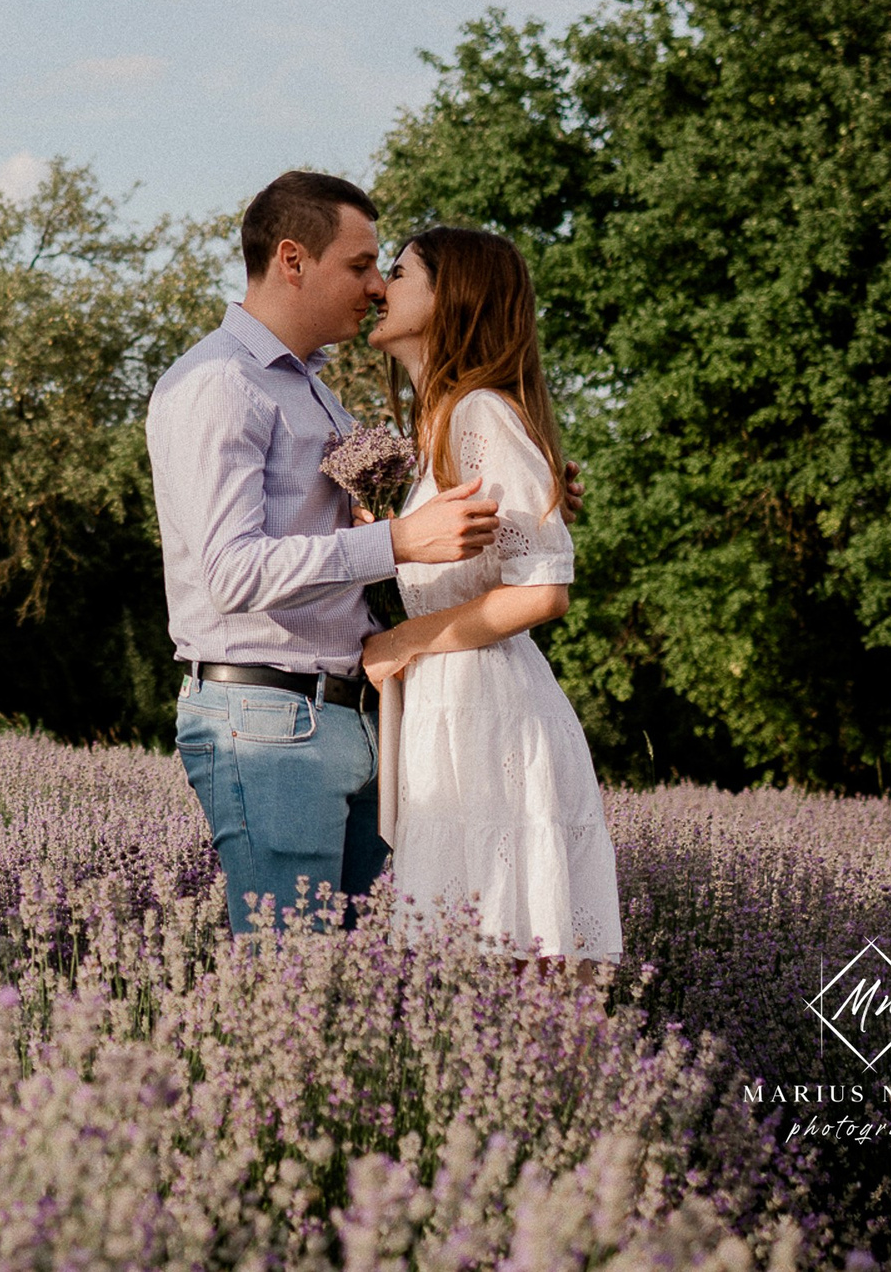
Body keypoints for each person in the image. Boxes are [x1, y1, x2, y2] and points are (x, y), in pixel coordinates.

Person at [146, 172, 502, 935]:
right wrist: (399, 538)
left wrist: (527, 504)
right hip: (267, 718)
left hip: (343, 712)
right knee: (295, 982)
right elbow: (232, 572)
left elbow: (361, 541)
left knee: (359, 988)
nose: (377, 286)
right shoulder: (219, 385)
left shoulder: (310, 390)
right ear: (292, 260)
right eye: (361, 264)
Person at [361, 225, 624, 975]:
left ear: (453, 297)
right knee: (471, 956)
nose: (381, 285)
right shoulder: (445, 419)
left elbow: (543, 588)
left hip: (486, 710)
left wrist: (406, 639)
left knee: (496, 955)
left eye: (400, 272)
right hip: (456, 703)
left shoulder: (478, 413)